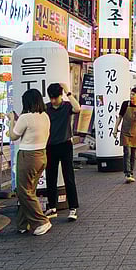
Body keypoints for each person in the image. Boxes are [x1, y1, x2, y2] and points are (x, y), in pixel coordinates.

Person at [7, 89, 51, 235]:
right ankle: (22, 223)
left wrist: (11, 120)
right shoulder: (45, 116)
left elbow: (13, 136)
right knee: (29, 190)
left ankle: (41, 221)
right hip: (42, 155)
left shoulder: (25, 117)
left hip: (28, 156)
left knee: (23, 191)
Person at [45, 83, 81, 221]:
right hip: (50, 146)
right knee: (50, 176)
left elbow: (77, 108)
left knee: (69, 176)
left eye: (56, 97)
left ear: (61, 95)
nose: (53, 100)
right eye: (51, 98)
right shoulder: (46, 107)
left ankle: (73, 208)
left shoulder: (66, 106)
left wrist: (68, 91)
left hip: (65, 144)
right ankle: (52, 207)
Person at [114, 91, 136, 182]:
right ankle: (127, 174)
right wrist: (115, 129)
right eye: (131, 94)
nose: (131, 96)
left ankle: (131, 172)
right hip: (125, 132)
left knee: (133, 154)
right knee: (127, 152)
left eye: (133, 95)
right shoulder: (125, 104)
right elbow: (120, 117)